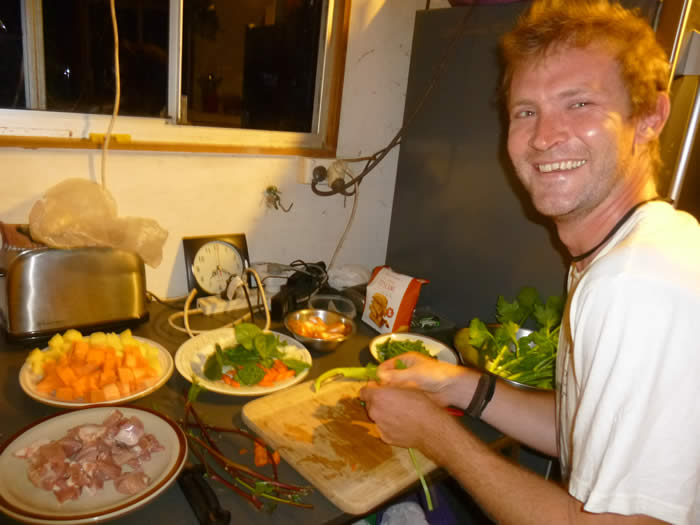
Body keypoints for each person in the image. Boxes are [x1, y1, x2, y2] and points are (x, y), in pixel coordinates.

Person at [360, 1, 700, 523]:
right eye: (526, 111)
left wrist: (435, 435)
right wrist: (452, 383)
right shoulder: (627, 250)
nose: (544, 136)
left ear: (650, 117)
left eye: (580, 103)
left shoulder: (635, 282)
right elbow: (576, 433)